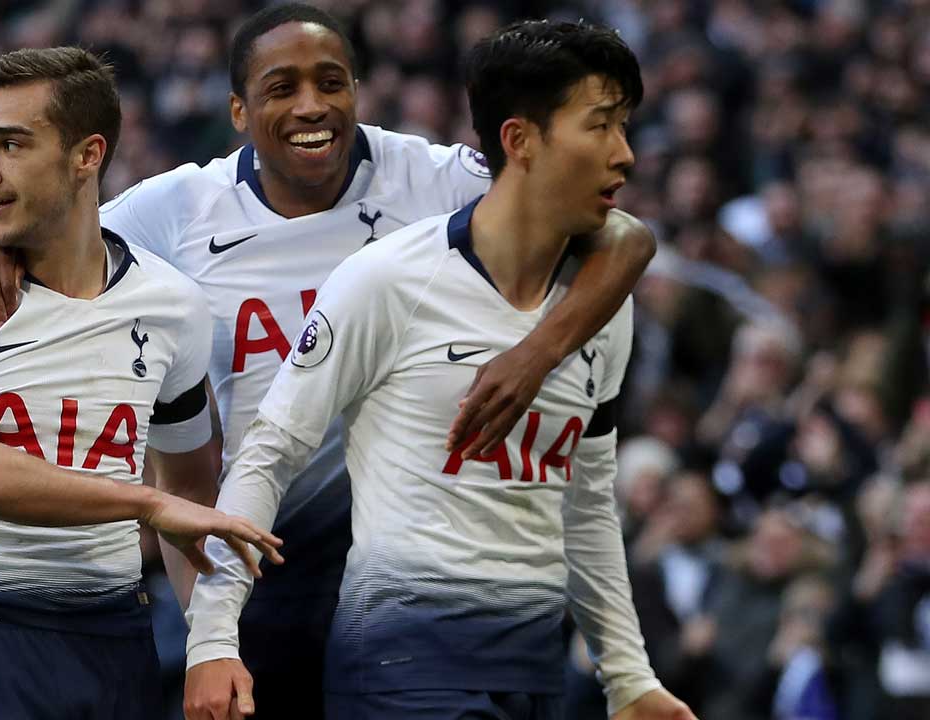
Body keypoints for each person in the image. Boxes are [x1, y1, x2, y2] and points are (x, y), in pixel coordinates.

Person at [0, 6, 656, 718]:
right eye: (282, 88)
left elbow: (623, 238)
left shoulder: (434, 179)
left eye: (331, 82)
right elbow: (60, 225)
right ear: (238, 111)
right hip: (262, 548)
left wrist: (537, 354)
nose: (312, 105)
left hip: (408, 546)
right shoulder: (181, 208)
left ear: (357, 91)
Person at [182, 20, 695, 720]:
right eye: (600, 126)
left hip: (533, 667)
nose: (625, 154)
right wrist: (212, 638)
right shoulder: (390, 279)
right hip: (403, 661)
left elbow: (586, 501)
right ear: (519, 140)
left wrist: (628, 677)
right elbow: (269, 453)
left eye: (624, 127)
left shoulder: (602, 307)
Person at [0, 46, 281, 720]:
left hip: (115, 630)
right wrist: (144, 504)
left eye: (11, 145)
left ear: (87, 155)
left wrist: (212, 642)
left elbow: (187, 490)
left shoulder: (172, 305)